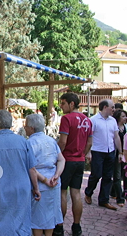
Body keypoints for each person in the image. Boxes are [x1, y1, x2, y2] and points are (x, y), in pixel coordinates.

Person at [54, 92, 92, 236]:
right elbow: (90, 142)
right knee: (76, 193)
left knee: (62, 192)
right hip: (80, 161)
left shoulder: (66, 119)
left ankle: (59, 227)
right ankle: (77, 227)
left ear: (71, 104)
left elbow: (63, 142)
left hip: (67, 160)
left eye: (63, 103)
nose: (61, 106)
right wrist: (82, 153)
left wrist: (56, 154)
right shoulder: (88, 120)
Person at [25, 114, 65, 236]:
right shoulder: (51, 140)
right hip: (54, 184)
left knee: (37, 219)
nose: (24, 128)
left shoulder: (29, 143)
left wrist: (45, 180)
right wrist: (57, 175)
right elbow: (61, 160)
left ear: (32, 128)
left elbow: (30, 167)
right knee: (50, 219)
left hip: (39, 185)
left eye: (26, 126)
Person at [84, 99, 123, 211]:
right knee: (96, 174)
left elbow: (116, 137)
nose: (114, 109)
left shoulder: (113, 121)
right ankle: (88, 192)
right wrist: (88, 152)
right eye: (112, 107)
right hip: (97, 151)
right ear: (105, 107)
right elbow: (88, 138)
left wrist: (120, 152)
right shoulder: (93, 120)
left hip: (110, 151)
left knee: (108, 176)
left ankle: (104, 200)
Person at [110, 109, 126, 207]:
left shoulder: (125, 128)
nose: (125, 118)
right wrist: (120, 153)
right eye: (123, 116)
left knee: (123, 176)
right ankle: (120, 198)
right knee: (117, 176)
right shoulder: (115, 127)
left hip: (125, 154)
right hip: (117, 154)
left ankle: (113, 192)